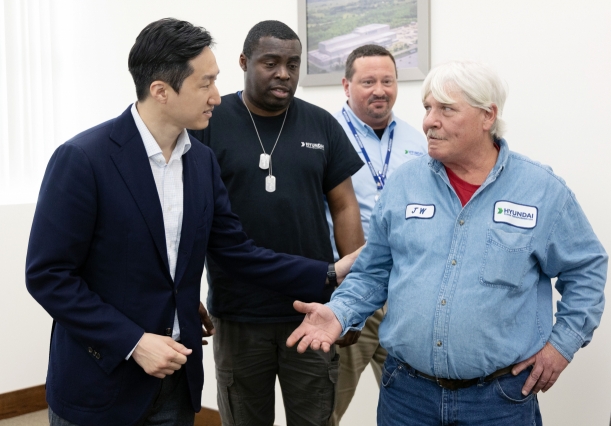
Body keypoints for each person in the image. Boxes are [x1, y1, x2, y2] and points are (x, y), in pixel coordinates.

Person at [25, 18, 356, 426]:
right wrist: (132, 342)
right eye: (206, 83)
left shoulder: (199, 162)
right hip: (102, 381)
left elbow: (236, 251)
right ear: (161, 91)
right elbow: (49, 276)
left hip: (176, 383)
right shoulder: (83, 159)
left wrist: (330, 271)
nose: (218, 96)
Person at [287, 60, 608, 425]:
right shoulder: (404, 185)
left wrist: (560, 347)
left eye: (446, 109)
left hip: (499, 401)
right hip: (406, 398)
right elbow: (373, 272)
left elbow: (586, 270)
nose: (428, 121)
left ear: (487, 116)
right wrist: (340, 311)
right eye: (427, 108)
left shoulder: (541, 191)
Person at [188, 20, 365, 426]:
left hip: (313, 309)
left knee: (316, 417)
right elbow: (186, 215)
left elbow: (344, 206)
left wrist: (352, 297)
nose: (284, 73)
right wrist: (182, 290)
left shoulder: (321, 125)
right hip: (238, 312)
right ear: (244, 62)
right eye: (271, 62)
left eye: (293, 63)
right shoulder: (209, 124)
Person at [325, 44, 427, 426]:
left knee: (415, 404)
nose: (379, 90)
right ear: (346, 85)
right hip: (350, 289)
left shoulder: (420, 143)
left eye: (387, 80)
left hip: (406, 293)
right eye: (368, 81)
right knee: (327, 403)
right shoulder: (325, 136)